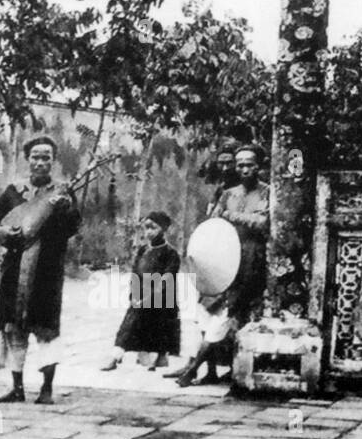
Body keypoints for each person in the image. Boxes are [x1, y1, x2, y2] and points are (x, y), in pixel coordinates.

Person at [0, 136, 82, 405]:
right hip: (15, 270)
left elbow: (73, 227)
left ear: (53, 161)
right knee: (13, 328)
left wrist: (65, 210)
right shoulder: (13, 192)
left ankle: (46, 389)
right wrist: (2, 231)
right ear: (27, 159)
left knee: (46, 330)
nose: (40, 162)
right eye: (35, 157)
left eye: (46, 157)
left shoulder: (62, 192)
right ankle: (16, 388)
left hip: (46, 272)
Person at [174, 143, 270, 387]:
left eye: (249, 164)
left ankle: (194, 369)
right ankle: (211, 371)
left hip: (249, 261)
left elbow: (262, 223)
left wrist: (232, 216)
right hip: (222, 260)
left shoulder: (268, 192)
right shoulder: (228, 193)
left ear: (259, 165)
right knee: (208, 312)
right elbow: (213, 221)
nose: (244, 169)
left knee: (228, 315)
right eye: (240, 165)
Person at [100, 211, 180, 371]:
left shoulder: (170, 254)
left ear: (163, 229)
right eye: (146, 228)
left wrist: (151, 297)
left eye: (153, 228)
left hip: (162, 300)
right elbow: (135, 274)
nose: (149, 232)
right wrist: (134, 295)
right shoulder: (143, 250)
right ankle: (116, 356)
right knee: (128, 326)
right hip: (140, 295)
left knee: (157, 331)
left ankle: (156, 358)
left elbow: (167, 278)